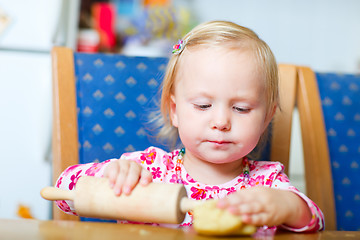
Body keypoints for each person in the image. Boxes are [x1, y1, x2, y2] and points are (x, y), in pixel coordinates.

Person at [55, 20, 324, 232]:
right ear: (175, 111)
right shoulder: (149, 171)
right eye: (203, 106)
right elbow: (62, 194)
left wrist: (288, 206)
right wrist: (111, 175)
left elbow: (314, 221)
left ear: (267, 118)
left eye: (241, 109)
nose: (220, 122)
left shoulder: (267, 183)